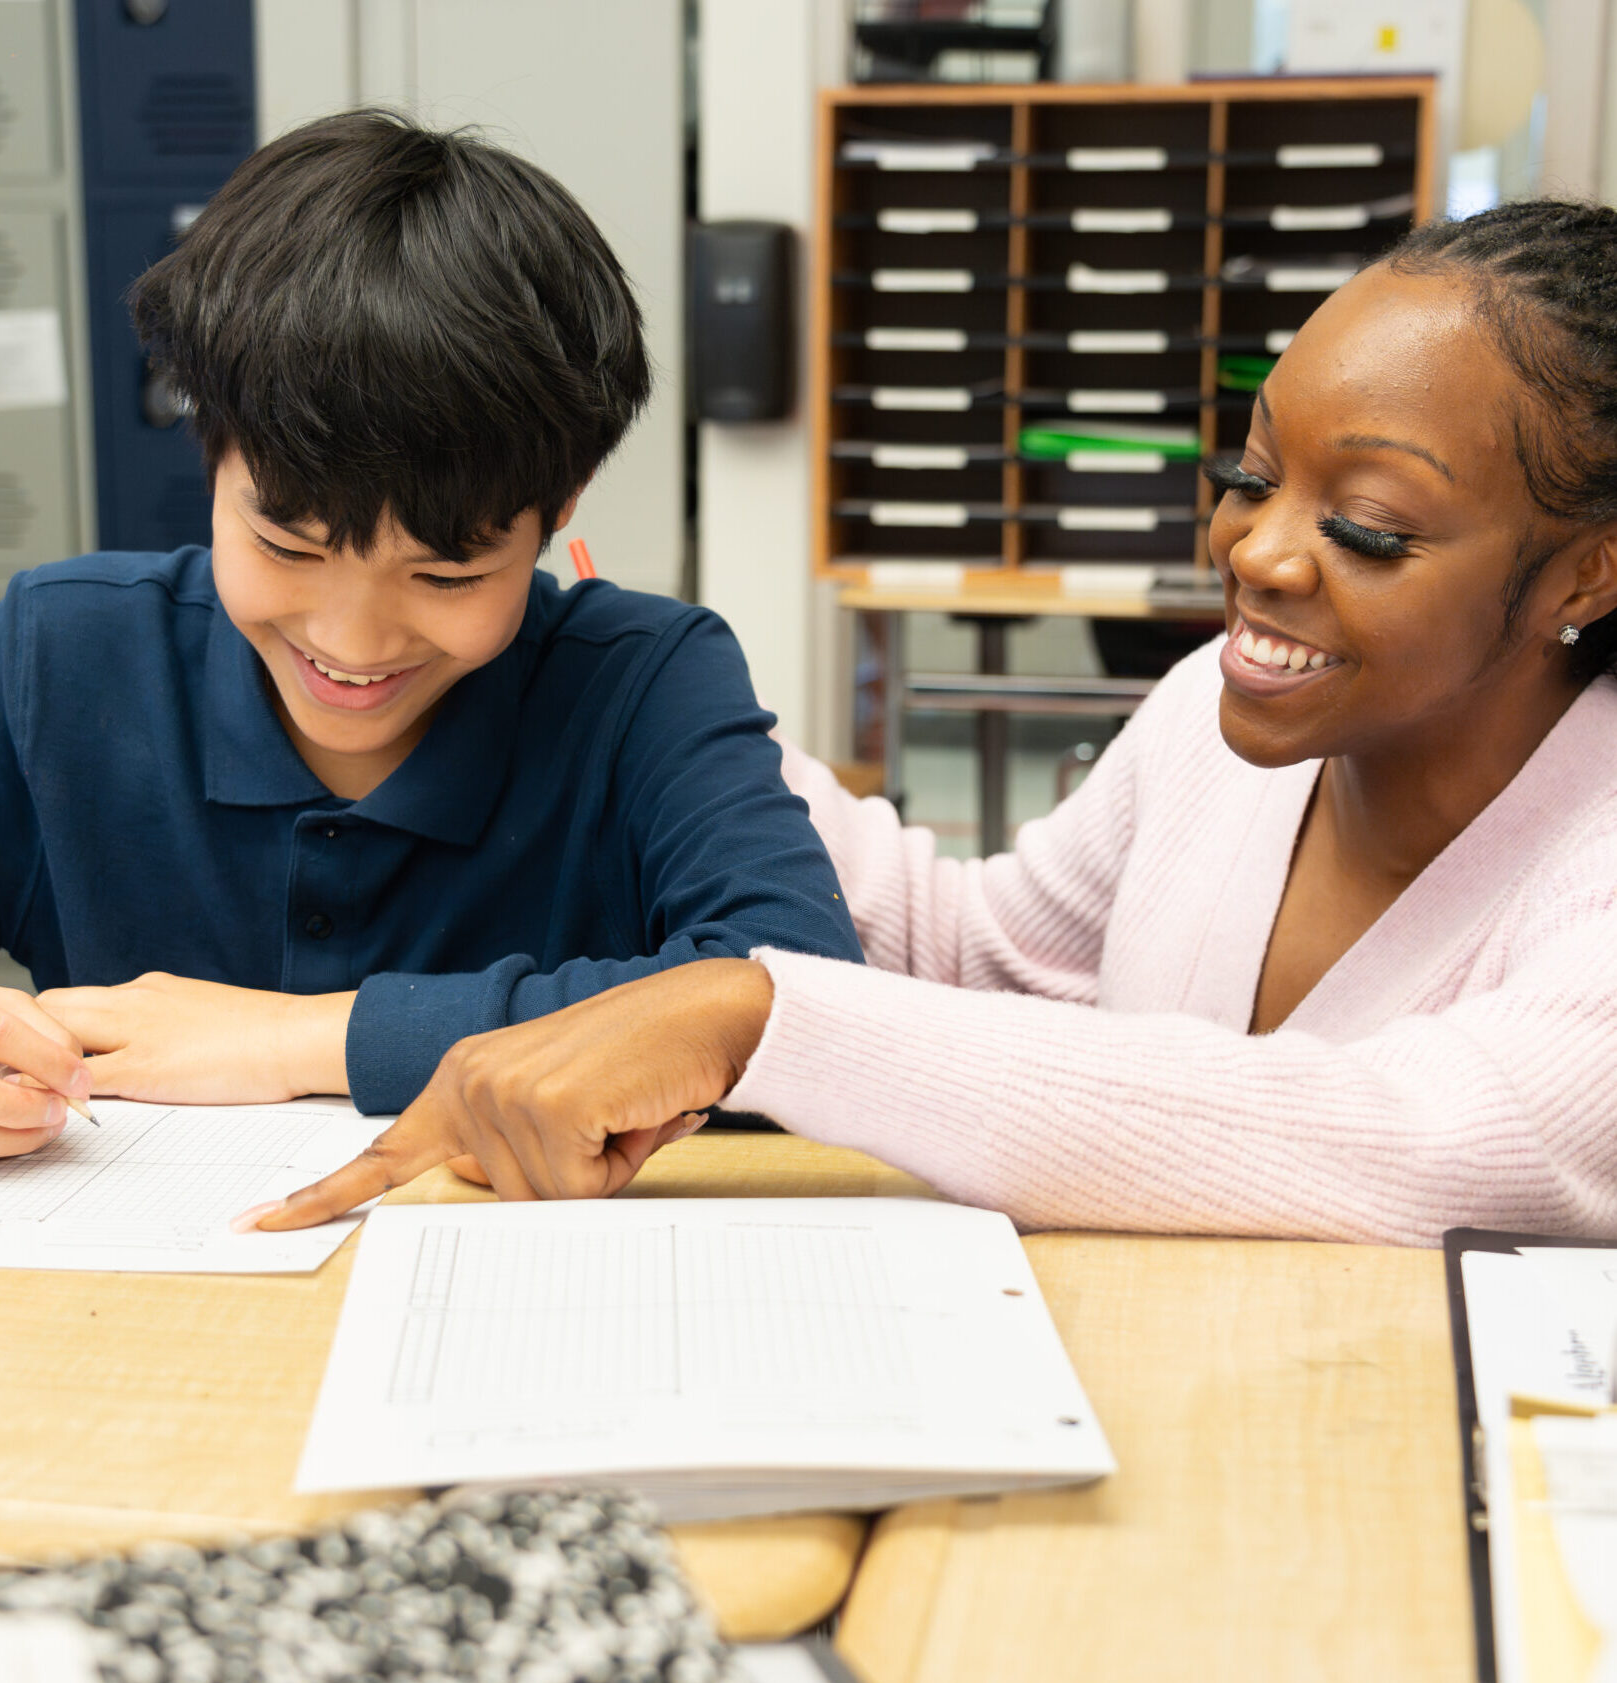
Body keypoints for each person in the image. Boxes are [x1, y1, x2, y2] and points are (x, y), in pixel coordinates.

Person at [256, 200, 1617, 1247]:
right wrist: (657, 724)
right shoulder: (1215, 729)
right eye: (1246, 474)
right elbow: (981, 957)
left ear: (1586, 569)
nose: (1254, 551)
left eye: (1365, 526)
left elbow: (1407, 1144)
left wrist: (765, 1009)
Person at [0, 111, 861, 1164]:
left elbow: (803, 1001)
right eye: (285, 545)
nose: (350, 640)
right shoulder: (60, 655)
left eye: (447, 573)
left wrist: (301, 1038)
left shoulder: (644, 684)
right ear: (209, 452)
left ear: (562, 504)